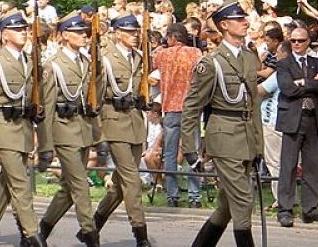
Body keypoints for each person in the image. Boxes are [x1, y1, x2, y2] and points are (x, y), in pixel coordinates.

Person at [181, 0, 263, 247]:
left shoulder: (249, 58)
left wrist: (258, 145)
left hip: (247, 136)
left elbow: (253, 103)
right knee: (243, 202)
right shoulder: (211, 63)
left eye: (244, 18)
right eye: (239, 20)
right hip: (224, 136)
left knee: (226, 207)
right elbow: (192, 106)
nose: (245, 22)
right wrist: (189, 149)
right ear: (225, 25)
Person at [0, 11, 47, 247]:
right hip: (2, 128)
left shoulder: (28, 60)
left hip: (23, 128)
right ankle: (33, 236)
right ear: (4, 35)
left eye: (25, 29)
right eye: (18, 30)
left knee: (5, 187)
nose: (24, 33)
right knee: (20, 184)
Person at [36, 12, 104, 246]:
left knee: (67, 188)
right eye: (76, 32)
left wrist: (98, 135)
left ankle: (42, 230)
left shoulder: (86, 62)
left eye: (84, 32)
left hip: (83, 128)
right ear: (64, 35)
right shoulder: (52, 66)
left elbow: (93, 101)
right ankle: (90, 233)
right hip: (63, 130)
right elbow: (45, 109)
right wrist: (45, 145)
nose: (83, 35)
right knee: (80, 184)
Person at [90, 14, 152, 247]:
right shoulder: (105, 59)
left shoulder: (138, 57)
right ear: (117, 33)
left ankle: (93, 226)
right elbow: (94, 97)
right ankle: (141, 233)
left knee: (119, 185)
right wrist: (99, 134)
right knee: (132, 179)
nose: (134, 36)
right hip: (113, 121)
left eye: (136, 32)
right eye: (128, 32)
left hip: (135, 122)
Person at [275, 26, 318, 227]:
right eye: (293, 41)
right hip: (292, 119)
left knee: (312, 166)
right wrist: (311, 83)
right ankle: (285, 209)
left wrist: (302, 82)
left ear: (308, 41)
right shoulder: (283, 64)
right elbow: (287, 88)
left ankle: (310, 209)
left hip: (313, 118)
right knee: (288, 166)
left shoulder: (317, 62)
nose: (297, 44)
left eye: (301, 40)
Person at [152, 23, 203, 208]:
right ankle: (194, 196)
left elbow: (152, 64)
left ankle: (172, 195)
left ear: (173, 37)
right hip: (191, 108)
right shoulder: (195, 53)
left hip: (170, 107)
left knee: (170, 153)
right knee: (193, 152)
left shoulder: (161, 54)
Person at [258, 40, 291, 207]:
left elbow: (261, 90)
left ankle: (281, 199)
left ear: (285, 54)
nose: (276, 56)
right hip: (287, 122)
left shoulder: (279, 74)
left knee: (274, 162)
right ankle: (288, 197)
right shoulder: (296, 71)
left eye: (278, 53)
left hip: (271, 122)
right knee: (286, 162)